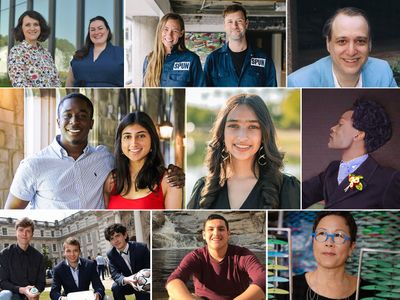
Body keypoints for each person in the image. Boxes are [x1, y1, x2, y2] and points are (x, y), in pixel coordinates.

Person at [5, 92, 184, 209]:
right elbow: (11, 213)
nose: (74, 122)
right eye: (67, 116)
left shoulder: (104, 158)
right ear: (58, 122)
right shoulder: (33, 165)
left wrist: (176, 172)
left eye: (82, 116)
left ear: (91, 123)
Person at [188, 94, 299, 209]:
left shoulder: (287, 187)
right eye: (234, 125)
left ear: (264, 134)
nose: (242, 137)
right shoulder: (202, 188)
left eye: (253, 127)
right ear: (222, 132)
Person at [303, 99, 399, 209]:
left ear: (358, 135)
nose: (333, 128)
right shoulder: (332, 170)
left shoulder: (387, 179)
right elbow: (301, 196)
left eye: (340, 124)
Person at [288, 7, 397, 88]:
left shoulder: (382, 71)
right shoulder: (298, 83)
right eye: (342, 41)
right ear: (328, 43)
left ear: (369, 44)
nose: (351, 51)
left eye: (360, 41)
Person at [278, 212, 375, 299]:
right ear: (313, 242)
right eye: (322, 233)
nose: (329, 242)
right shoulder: (287, 290)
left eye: (338, 235)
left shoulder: (371, 293)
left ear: (351, 247)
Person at [166, 214, 266, 299]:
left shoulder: (243, 255)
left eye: (221, 229)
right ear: (204, 235)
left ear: (228, 234)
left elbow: (263, 279)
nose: (216, 233)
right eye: (211, 229)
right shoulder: (196, 256)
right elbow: (173, 280)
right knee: (173, 297)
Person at [106, 111, 183, 209]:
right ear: (120, 142)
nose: (134, 143)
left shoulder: (169, 181)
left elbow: (172, 222)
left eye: (141, 136)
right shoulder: (111, 180)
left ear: (152, 139)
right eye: (127, 137)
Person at [204, 4, 277, 87]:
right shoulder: (213, 60)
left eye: (239, 21)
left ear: (246, 24)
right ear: (225, 26)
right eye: (230, 22)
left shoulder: (264, 58)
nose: (235, 26)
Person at [142, 13, 205, 87]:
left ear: (181, 33)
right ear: (160, 31)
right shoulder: (149, 60)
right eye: (165, 29)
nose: (169, 35)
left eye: (175, 31)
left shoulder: (192, 59)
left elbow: (200, 91)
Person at [66, 16, 123, 87]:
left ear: (107, 30)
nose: (96, 32)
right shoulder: (79, 55)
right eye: (92, 30)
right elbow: (70, 82)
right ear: (89, 33)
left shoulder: (120, 53)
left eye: (100, 28)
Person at [7, 10, 60, 87]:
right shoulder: (16, 52)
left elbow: (56, 81)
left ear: (41, 27)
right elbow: (19, 84)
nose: (32, 28)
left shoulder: (46, 53)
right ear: (21, 29)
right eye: (27, 25)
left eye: (36, 24)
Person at [0, 217, 45, 300]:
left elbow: (41, 282)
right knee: (4, 294)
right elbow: (3, 282)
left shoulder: (39, 257)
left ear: (32, 234)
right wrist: (22, 290)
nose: (24, 234)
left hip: (31, 295)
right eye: (21, 230)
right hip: (12, 294)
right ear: (16, 232)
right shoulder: (5, 254)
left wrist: (34, 292)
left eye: (28, 231)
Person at [105, 224, 150, 300]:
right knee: (115, 287)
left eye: (117, 236)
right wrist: (127, 280)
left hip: (143, 281)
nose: (115, 241)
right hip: (128, 283)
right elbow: (115, 274)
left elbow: (149, 267)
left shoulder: (141, 248)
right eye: (112, 238)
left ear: (125, 235)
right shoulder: (111, 254)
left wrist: (141, 278)